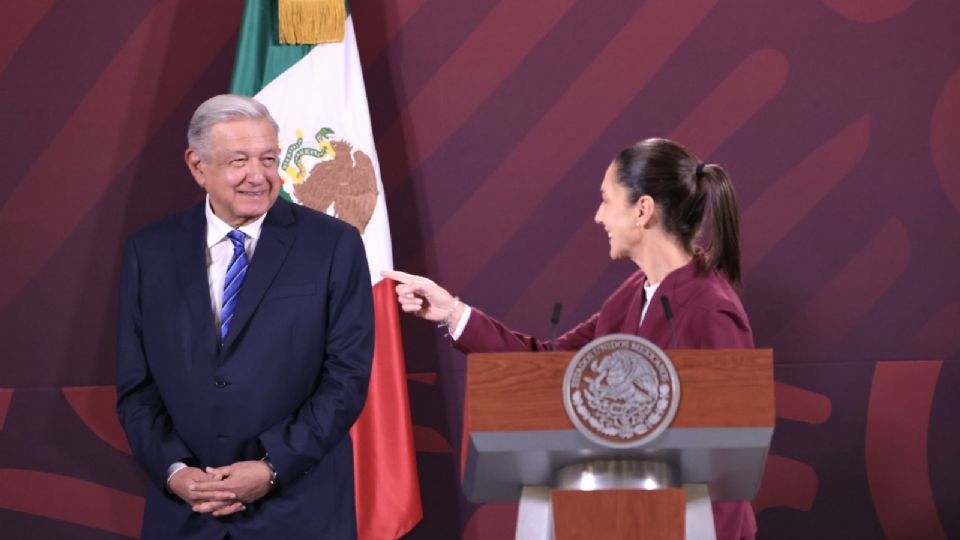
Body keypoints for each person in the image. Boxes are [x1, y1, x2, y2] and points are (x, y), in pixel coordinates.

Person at [384, 138, 757, 540]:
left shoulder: (711, 310)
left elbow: (727, 465)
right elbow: (549, 362)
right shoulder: (633, 295)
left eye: (606, 201)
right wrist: (453, 312)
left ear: (643, 210)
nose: (598, 217)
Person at [116, 94, 374, 539]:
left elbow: (346, 377)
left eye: (269, 159)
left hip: (299, 511)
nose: (258, 176)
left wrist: (272, 467)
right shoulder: (150, 251)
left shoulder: (334, 245)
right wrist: (176, 471)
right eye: (239, 161)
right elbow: (137, 388)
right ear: (198, 166)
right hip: (185, 513)